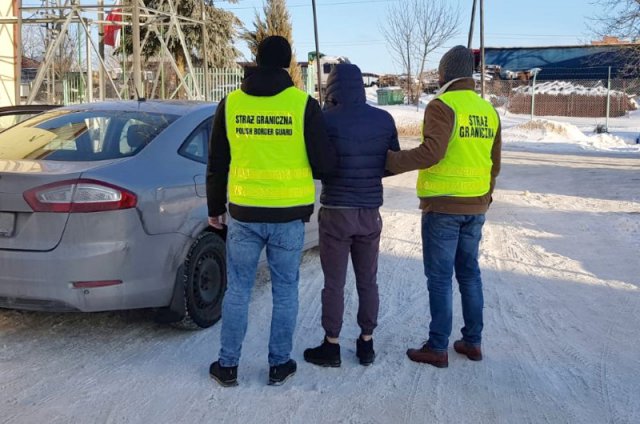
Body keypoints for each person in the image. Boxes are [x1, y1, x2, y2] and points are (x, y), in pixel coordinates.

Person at [206, 35, 336, 387]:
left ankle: (228, 365)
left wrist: (215, 208)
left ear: (257, 60)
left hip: (244, 215)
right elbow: (324, 164)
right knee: (285, 291)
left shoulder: (230, 104)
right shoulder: (302, 104)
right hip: (288, 217)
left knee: (238, 291)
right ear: (288, 63)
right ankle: (279, 364)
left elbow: (217, 162)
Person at [385, 46, 502, 368]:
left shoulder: (442, 105)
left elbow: (432, 152)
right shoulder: (487, 110)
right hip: (476, 206)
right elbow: (495, 162)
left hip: (443, 209)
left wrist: (391, 161)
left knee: (439, 278)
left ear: (445, 73)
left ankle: (437, 347)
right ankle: (472, 342)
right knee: (470, 275)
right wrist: (485, 197)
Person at [303, 64, 399, 368]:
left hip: (335, 212)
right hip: (370, 212)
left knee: (334, 282)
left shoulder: (324, 120)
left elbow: (317, 165)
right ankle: (366, 343)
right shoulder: (384, 119)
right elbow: (390, 163)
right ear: (361, 86)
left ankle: (331, 345)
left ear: (331, 88)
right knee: (368, 280)